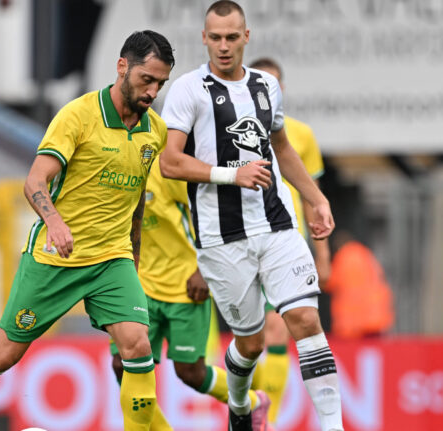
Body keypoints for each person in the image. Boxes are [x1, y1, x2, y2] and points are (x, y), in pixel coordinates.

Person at [0, 30, 174, 431]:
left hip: (112, 260)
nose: (152, 91)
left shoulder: (155, 130)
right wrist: (55, 221)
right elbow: (34, 181)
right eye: (146, 80)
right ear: (123, 67)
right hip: (56, 259)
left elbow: (136, 201)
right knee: (2, 356)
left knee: (138, 345)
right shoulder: (78, 115)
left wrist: (133, 258)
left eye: (160, 83)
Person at [159, 2, 344, 431]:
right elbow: (170, 163)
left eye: (232, 37)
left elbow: (281, 147)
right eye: (215, 38)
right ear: (204, 38)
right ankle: (240, 406)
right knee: (251, 342)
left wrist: (316, 198)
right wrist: (232, 174)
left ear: (247, 36)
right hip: (222, 238)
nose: (224, 46)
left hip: (277, 225)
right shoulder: (189, 89)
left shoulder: (266, 87)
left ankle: (333, 426)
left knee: (305, 320)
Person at [109, 154, 270, 431]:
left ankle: (254, 402)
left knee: (190, 372)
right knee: (122, 365)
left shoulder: (164, 169)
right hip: (141, 287)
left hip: (185, 287)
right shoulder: (115, 170)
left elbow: (208, 212)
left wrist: (202, 268)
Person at [247, 57, 332, 425]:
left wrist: (323, 253)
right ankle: (250, 407)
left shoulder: (299, 135)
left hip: (286, 241)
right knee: (252, 339)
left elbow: (314, 195)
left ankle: (269, 418)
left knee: (279, 328)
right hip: (244, 240)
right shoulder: (233, 131)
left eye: (276, 83)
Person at [324, 230, 394, 339]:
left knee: (351, 353)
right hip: (376, 316)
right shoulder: (365, 253)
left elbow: (328, 282)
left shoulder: (343, 256)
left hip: (353, 322)